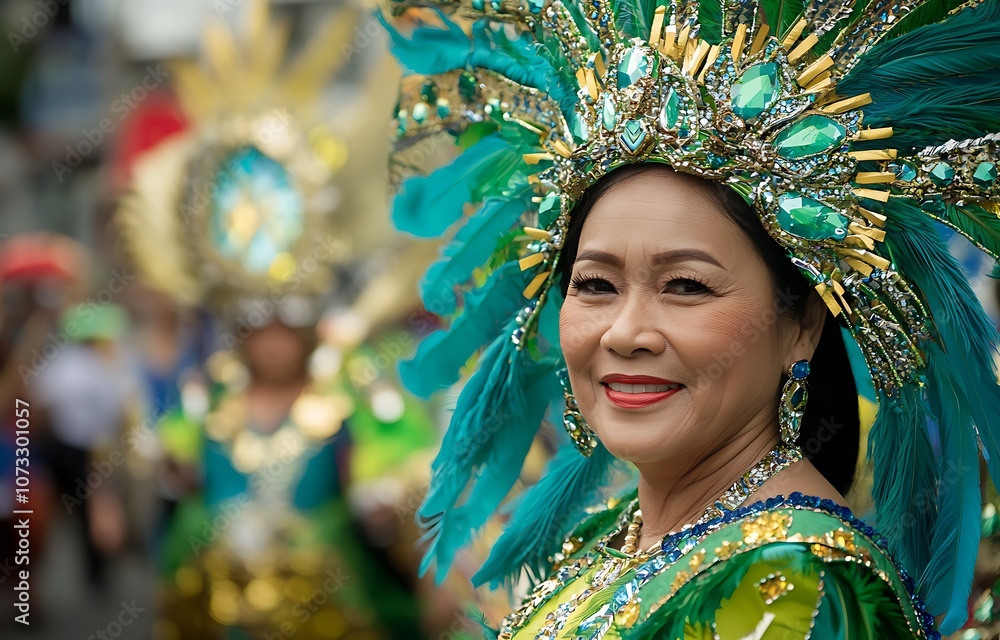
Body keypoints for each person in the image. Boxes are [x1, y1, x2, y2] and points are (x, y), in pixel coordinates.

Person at [379, 0, 1000, 637]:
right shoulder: (618, 535)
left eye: (685, 286)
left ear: (802, 325)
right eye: (594, 284)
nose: (624, 332)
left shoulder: (789, 584)